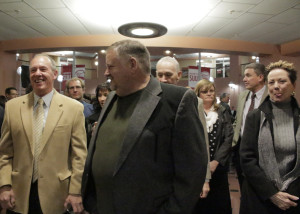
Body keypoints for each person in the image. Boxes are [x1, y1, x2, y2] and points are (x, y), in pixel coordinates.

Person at [82, 40, 208, 214]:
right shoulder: (111, 98)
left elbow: (192, 171)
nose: (105, 73)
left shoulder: (176, 99)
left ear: (132, 64)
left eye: (111, 67)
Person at [0, 54, 87, 214]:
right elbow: (5, 153)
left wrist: (75, 191)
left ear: (54, 74)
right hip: (18, 194)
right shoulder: (12, 107)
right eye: (33, 70)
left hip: (58, 194)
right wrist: (4, 186)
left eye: (43, 69)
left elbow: (79, 155)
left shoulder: (73, 108)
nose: (37, 73)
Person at [240, 60, 300, 214]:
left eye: (282, 81)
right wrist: (272, 193)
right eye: (271, 82)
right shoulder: (255, 117)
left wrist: (289, 191)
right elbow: (247, 159)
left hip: (293, 196)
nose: (276, 86)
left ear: (293, 85)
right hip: (260, 196)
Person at [156, 56, 211, 199]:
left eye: (168, 75)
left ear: (179, 75)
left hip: (181, 173)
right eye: (159, 75)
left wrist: (205, 179)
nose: (163, 79)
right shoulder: (149, 101)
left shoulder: (194, 101)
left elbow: (201, 142)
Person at [193, 79, 233, 214]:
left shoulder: (222, 110)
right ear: (198, 94)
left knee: (219, 202)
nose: (209, 94)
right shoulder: (193, 111)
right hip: (198, 165)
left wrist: (216, 161)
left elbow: (228, 138)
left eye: (211, 91)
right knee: (199, 202)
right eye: (205, 92)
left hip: (218, 165)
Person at [232, 62, 268, 188]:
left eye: (248, 75)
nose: (244, 79)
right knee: (243, 184)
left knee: (261, 184)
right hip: (241, 148)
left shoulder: (271, 95)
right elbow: (238, 121)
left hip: (262, 149)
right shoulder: (243, 95)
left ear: (260, 77)